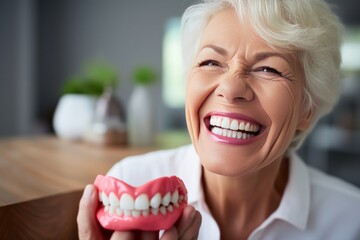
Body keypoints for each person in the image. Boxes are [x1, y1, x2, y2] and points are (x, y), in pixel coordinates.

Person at [77, 0, 360, 239]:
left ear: (306, 111)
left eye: (268, 69)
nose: (230, 88)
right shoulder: (130, 185)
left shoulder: (350, 221)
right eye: (210, 62)